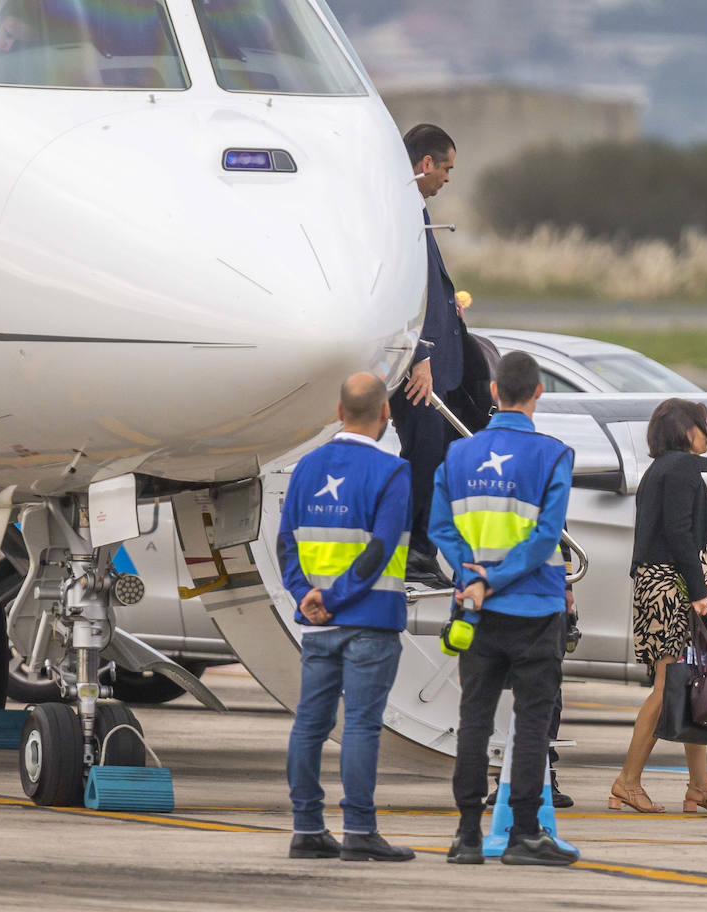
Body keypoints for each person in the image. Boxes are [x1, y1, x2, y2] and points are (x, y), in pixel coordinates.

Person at [429, 351, 578, 866]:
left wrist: (473, 576)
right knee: (532, 723)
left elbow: (439, 530)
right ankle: (525, 833)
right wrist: (498, 577)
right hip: (534, 609)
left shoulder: (457, 457)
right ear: (538, 392)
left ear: (494, 392)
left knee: (474, 720)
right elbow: (544, 539)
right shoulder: (554, 455)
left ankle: (468, 835)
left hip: (475, 612)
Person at [278, 373, 415, 862]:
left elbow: (286, 542)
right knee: (360, 725)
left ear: (338, 412)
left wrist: (305, 596)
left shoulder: (305, 467)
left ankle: (307, 828)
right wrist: (336, 597)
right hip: (370, 618)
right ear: (386, 414)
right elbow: (379, 549)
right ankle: (358, 830)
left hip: (318, 625)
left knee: (309, 725)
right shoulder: (392, 471)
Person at [611, 398, 707, 816]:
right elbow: (681, 533)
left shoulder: (658, 472)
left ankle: (700, 786)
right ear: (686, 430)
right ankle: (627, 782)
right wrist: (701, 589)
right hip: (674, 588)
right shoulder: (682, 469)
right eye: (702, 425)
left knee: (689, 684)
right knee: (669, 687)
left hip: (658, 586)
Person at [393, 123, 464, 588]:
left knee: (437, 457)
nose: (447, 179)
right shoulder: (401, 215)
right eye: (446, 169)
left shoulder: (412, 210)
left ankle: (420, 547)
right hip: (420, 371)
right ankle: (413, 550)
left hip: (438, 369)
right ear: (425, 165)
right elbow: (402, 288)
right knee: (423, 457)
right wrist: (419, 353)